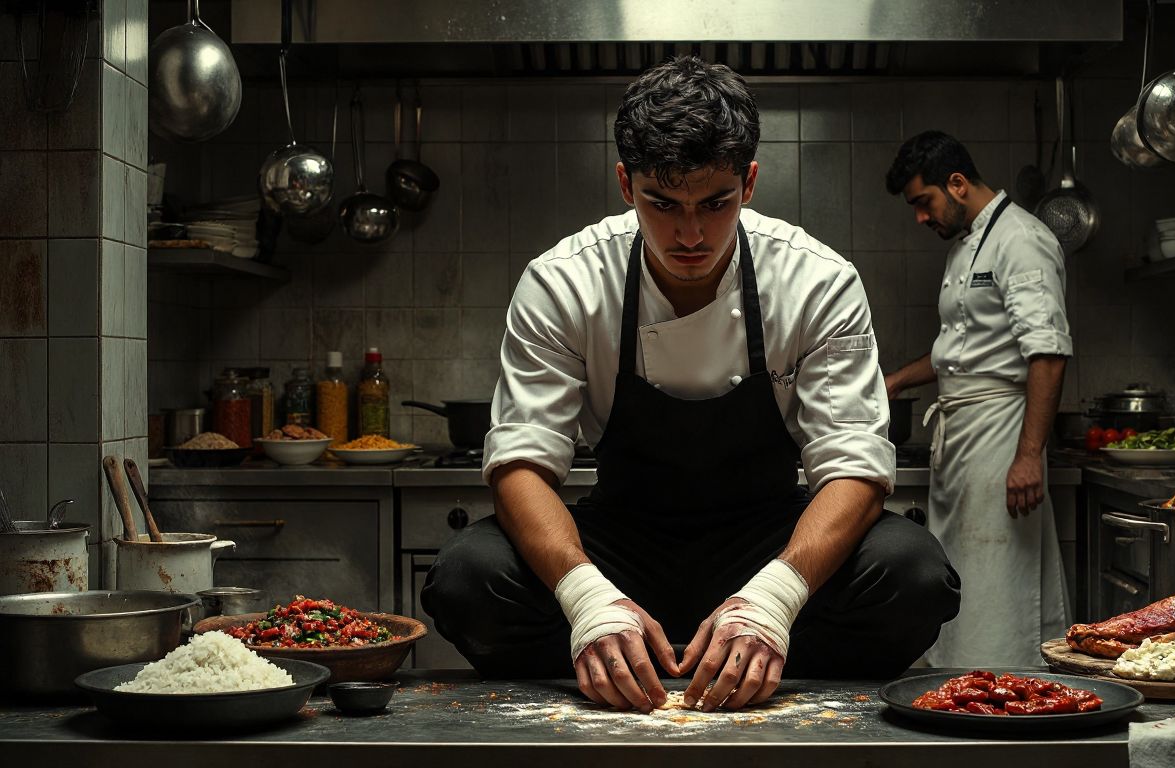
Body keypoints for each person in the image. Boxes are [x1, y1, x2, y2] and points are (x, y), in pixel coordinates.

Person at [422, 57, 960, 713]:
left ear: (750, 182)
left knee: (913, 572)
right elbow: (520, 464)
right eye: (662, 203)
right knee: (466, 578)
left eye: (715, 203)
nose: (690, 234)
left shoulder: (818, 281)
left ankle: (754, 659)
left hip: (768, 539)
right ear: (625, 183)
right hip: (621, 542)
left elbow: (855, 467)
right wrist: (588, 601)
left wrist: (774, 602)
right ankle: (616, 655)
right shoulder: (563, 281)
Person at [881, 131, 1072, 668]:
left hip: (1003, 434)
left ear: (958, 184)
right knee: (967, 573)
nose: (921, 218)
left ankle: (1008, 685)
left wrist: (1029, 454)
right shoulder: (969, 243)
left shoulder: (1021, 240)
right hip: (964, 436)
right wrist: (894, 381)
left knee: (999, 577)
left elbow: (1048, 352)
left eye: (924, 202)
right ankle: (960, 682)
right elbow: (961, 352)